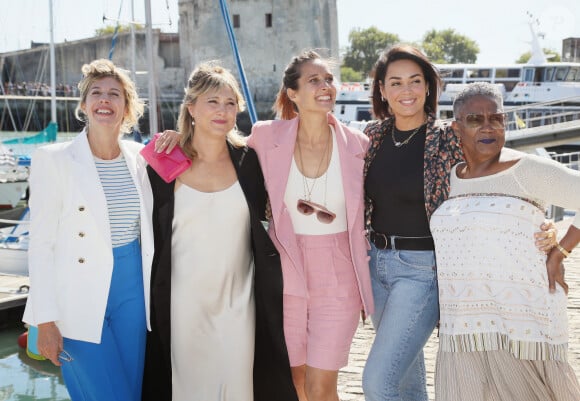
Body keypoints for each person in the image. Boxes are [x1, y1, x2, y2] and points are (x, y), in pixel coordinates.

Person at [361, 45, 556, 401]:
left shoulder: (448, 137)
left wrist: (540, 219)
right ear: (383, 91)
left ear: (428, 88)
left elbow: (496, 171)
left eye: (416, 81)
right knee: (405, 379)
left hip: (422, 270)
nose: (407, 91)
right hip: (376, 263)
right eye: (396, 82)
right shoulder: (372, 137)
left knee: (377, 382)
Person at [141, 62, 298, 401]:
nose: (223, 111)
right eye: (213, 101)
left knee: (238, 388)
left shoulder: (250, 161)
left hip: (239, 303)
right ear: (191, 107)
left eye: (230, 103)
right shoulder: (162, 160)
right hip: (182, 305)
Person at [430, 81, 580, 401]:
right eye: (474, 119)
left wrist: (560, 250)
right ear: (457, 128)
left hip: (522, 327)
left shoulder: (527, 170)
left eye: (495, 118)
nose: (487, 126)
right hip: (464, 328)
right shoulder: (449, 177)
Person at [22, 58, 154, 401]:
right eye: (96, 93)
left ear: (127, 107)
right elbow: (41, 246)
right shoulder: (53, 159)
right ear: (84, 104)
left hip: (133, 292)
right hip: (75, 297)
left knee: (132, 391)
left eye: (114, 94)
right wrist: (45, 320)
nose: (104, 99)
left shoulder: (141, 158)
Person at [247, 50, 374, 401]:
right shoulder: (264, 136)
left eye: (329, 80)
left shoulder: (358, 146)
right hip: (285, 269)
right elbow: (217, 154)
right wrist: (173, 140)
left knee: (321, 388)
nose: (325, 86)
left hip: (339, 272)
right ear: (292, 93)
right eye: (314, 80)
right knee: (294, 381)